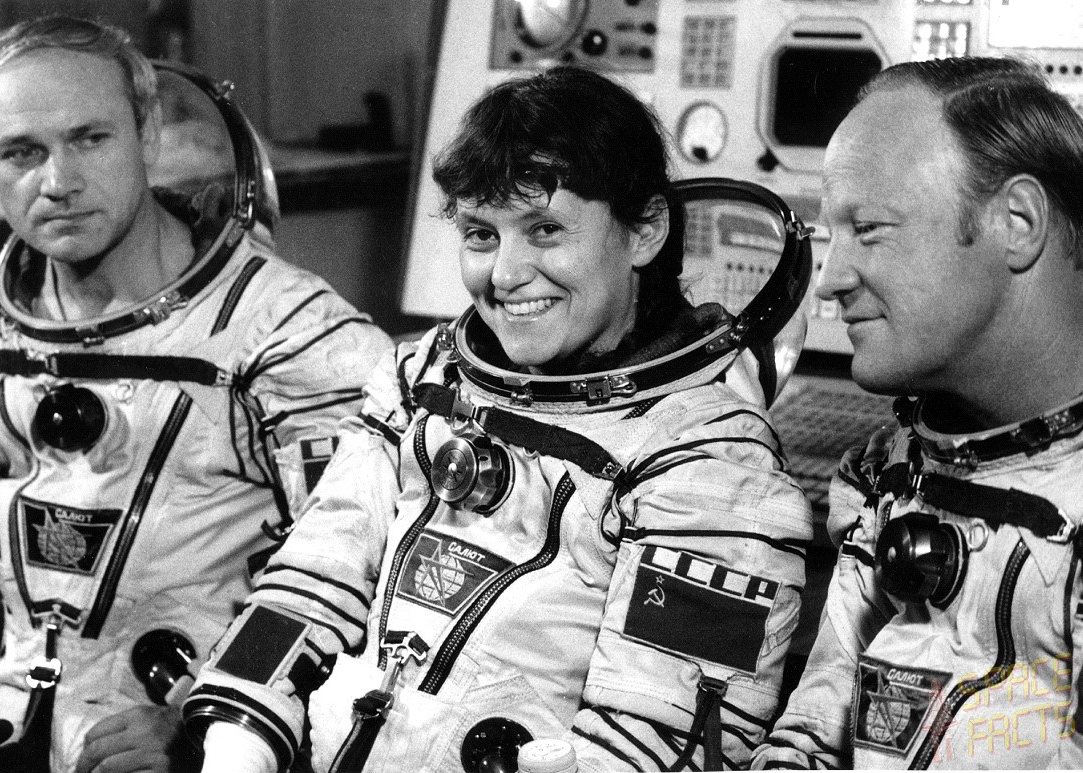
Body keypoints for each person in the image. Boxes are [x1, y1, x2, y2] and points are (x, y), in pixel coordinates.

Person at [181, 65, 815, 773]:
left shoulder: (711, 465)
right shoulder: (421, 380)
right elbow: (309, 581)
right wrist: (236, 749)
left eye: (545, 230)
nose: (506, 274)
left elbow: (653, 748)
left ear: (645, 230)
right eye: (481, 234)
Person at [0, 15, 391, 773]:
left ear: (147, 133)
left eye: (90, 138)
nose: (59, 182)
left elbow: (363, 587)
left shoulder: (292, 337)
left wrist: (211, 719)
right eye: (21, 152)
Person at [752, 57, 1083, 769]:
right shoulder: (891, 475)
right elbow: (810, 738)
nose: (829, 281)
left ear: (1017, 223)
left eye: (869, 229)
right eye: (831, 237)